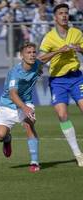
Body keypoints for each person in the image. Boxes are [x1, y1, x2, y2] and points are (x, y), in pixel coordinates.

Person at [38, 3, 83, 167]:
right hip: (58, 81)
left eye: (66, 13)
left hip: (77, 77)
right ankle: (78, 154)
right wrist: (58, 51)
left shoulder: (77, 33)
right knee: (62, 115)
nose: (64, 15)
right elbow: (41, 58)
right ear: (55, 17)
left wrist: (79, 48)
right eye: (61, 13)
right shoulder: (49, 37)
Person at [0, 42, 43, 173]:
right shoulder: (15, 72)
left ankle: (34, 162)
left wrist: (59, 51)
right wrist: (24, 108)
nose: (32, 55)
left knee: (29, 124)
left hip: (26, 102)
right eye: (28, 53)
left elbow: (45, 58)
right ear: (21, 55)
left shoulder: (37, 63)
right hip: (8, 105)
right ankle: (7, 139)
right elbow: (13, 94)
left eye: (34, 52)